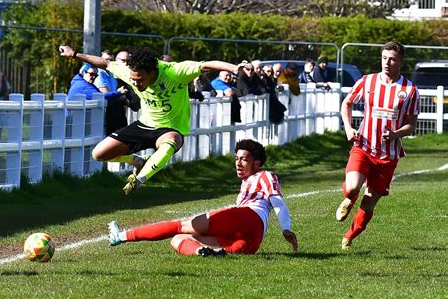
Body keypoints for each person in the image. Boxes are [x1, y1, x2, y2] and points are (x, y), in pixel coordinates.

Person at [59, 45, 246, 195]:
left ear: (152, 72)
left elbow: (207, 65)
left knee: (171, 141)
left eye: (139, 80)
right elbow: (105, 64)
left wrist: (234, 68)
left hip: (170, 129)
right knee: (98, 154)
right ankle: (137, 162)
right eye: (133, 80)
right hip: (144, 125)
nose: (136, 84)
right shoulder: (132, 73)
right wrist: (74, 53)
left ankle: (140, 179)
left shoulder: (175, 72)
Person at [108, 139, 298, 256]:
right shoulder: (248, 182)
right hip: (248, 244)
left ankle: (122, 236)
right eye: (236, 158)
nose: (238, 163)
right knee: (178, 239)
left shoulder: (264, 175)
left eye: (244, 159)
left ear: (257, 163)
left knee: (180, 225)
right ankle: (202, 253)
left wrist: (286, 229)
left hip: (248, 219)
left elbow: (278, 202)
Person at [336, 41, 420, 250]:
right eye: (384, 58)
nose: (387, 62)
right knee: (354, 185)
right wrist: (348, 127)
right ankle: (348, 197)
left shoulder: (409, 90)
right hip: (363, 145)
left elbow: (411, 125)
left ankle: (349, 237)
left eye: (392, 59)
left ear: (401, 62)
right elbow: (347, 103)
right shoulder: (368, 81)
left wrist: (395, 134)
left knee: (370, 201)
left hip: (388, 155)